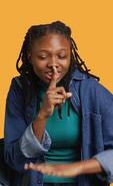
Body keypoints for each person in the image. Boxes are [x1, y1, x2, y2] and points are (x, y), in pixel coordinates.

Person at [4, 21, 113, 186]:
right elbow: (13, 159)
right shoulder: (20, 90)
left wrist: (79, 167)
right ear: (30, 57)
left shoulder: (91, 90)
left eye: (62, 56)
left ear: (70, 55)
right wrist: (42, 115)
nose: (53, 64)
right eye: (43, 57)